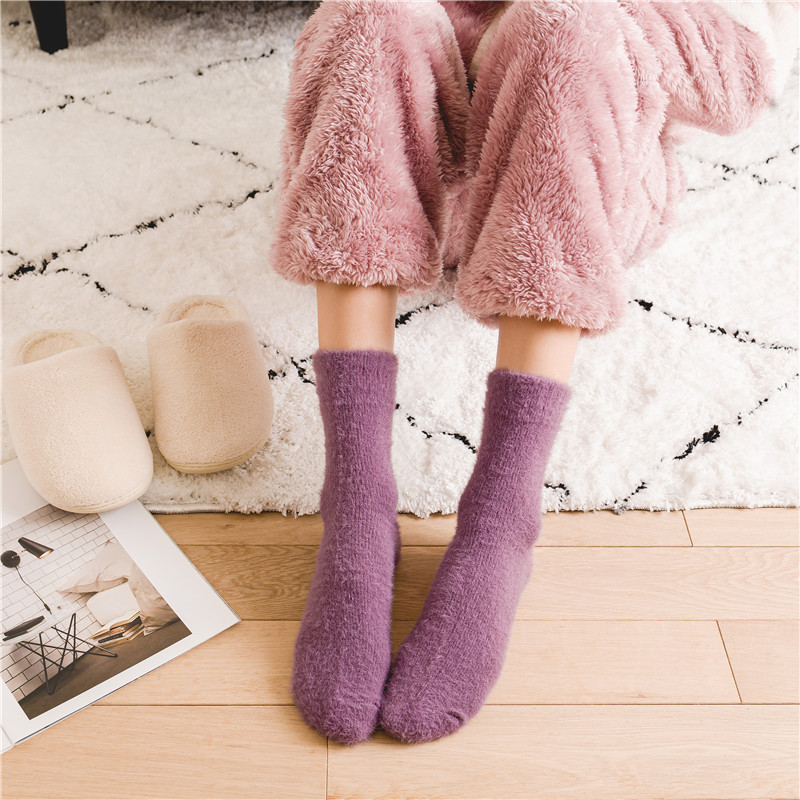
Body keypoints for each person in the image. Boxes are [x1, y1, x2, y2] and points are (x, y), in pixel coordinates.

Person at [269, 0, 798, 745]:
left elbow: (736, 82)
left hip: (577, 189)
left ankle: (501, 519)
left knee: (563, 26)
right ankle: (356, 505)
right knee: (366, 15)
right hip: (422, 193)